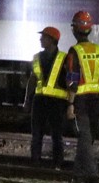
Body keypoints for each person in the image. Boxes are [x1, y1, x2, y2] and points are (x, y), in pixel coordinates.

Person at [64, 10, 99, 183]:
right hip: (97, 101)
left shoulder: (74, 51)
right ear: (89, 29)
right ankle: (77, 177)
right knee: (87, 138)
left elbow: (72, 80)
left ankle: (93, 177)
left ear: (74, 30)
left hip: (80, 101)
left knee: (85, 138)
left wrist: (70, 104)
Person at [23, 26, 68, 168]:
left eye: (44, 37)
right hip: (40, 101)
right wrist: (27, 100)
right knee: (37, 134)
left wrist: (70, 104)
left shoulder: (64, 59)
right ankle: (36, 163)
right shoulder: (36, 58)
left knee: (56, 136)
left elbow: (69, 82)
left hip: (56, 103)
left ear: (52, 40)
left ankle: (57, 164)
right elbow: (32, 79)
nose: (40, 39)